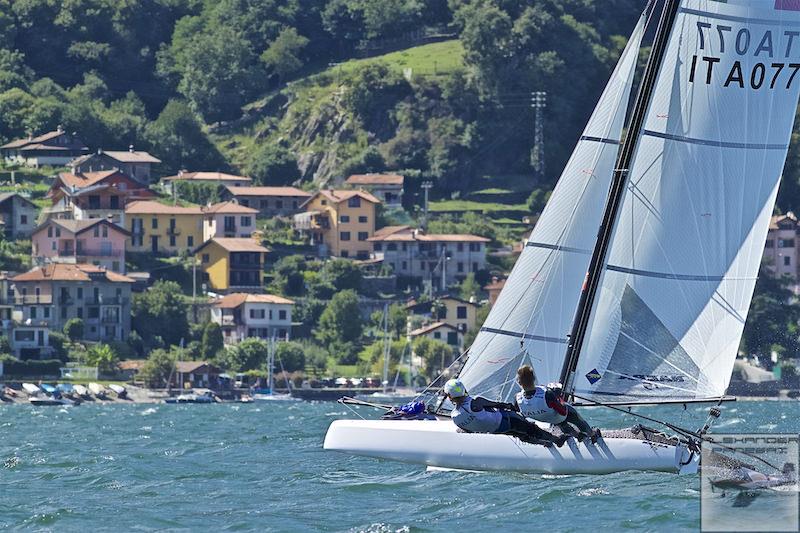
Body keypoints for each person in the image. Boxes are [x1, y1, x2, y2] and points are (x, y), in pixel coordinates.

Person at [444, 378, 567, 447]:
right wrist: (512, 406)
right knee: (531, 428)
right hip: (507, 420)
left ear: (449, 396)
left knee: (521, 436)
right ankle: (556, 440)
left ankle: (543, 443)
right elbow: (498, 405)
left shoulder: (455, 416)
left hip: (497, 430)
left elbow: (468, 430)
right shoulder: (476, 401)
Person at [514, 365, 601, 444]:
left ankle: (576, 435)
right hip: (556, 416)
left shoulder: (517, 398)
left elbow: (519, 413)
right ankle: (592, 434)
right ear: (534, 379)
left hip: (546, 419)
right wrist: (557, 396)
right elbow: (563, 411)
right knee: (571, 414)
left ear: (519, 382)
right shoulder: (547, 394)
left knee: (556, 419)